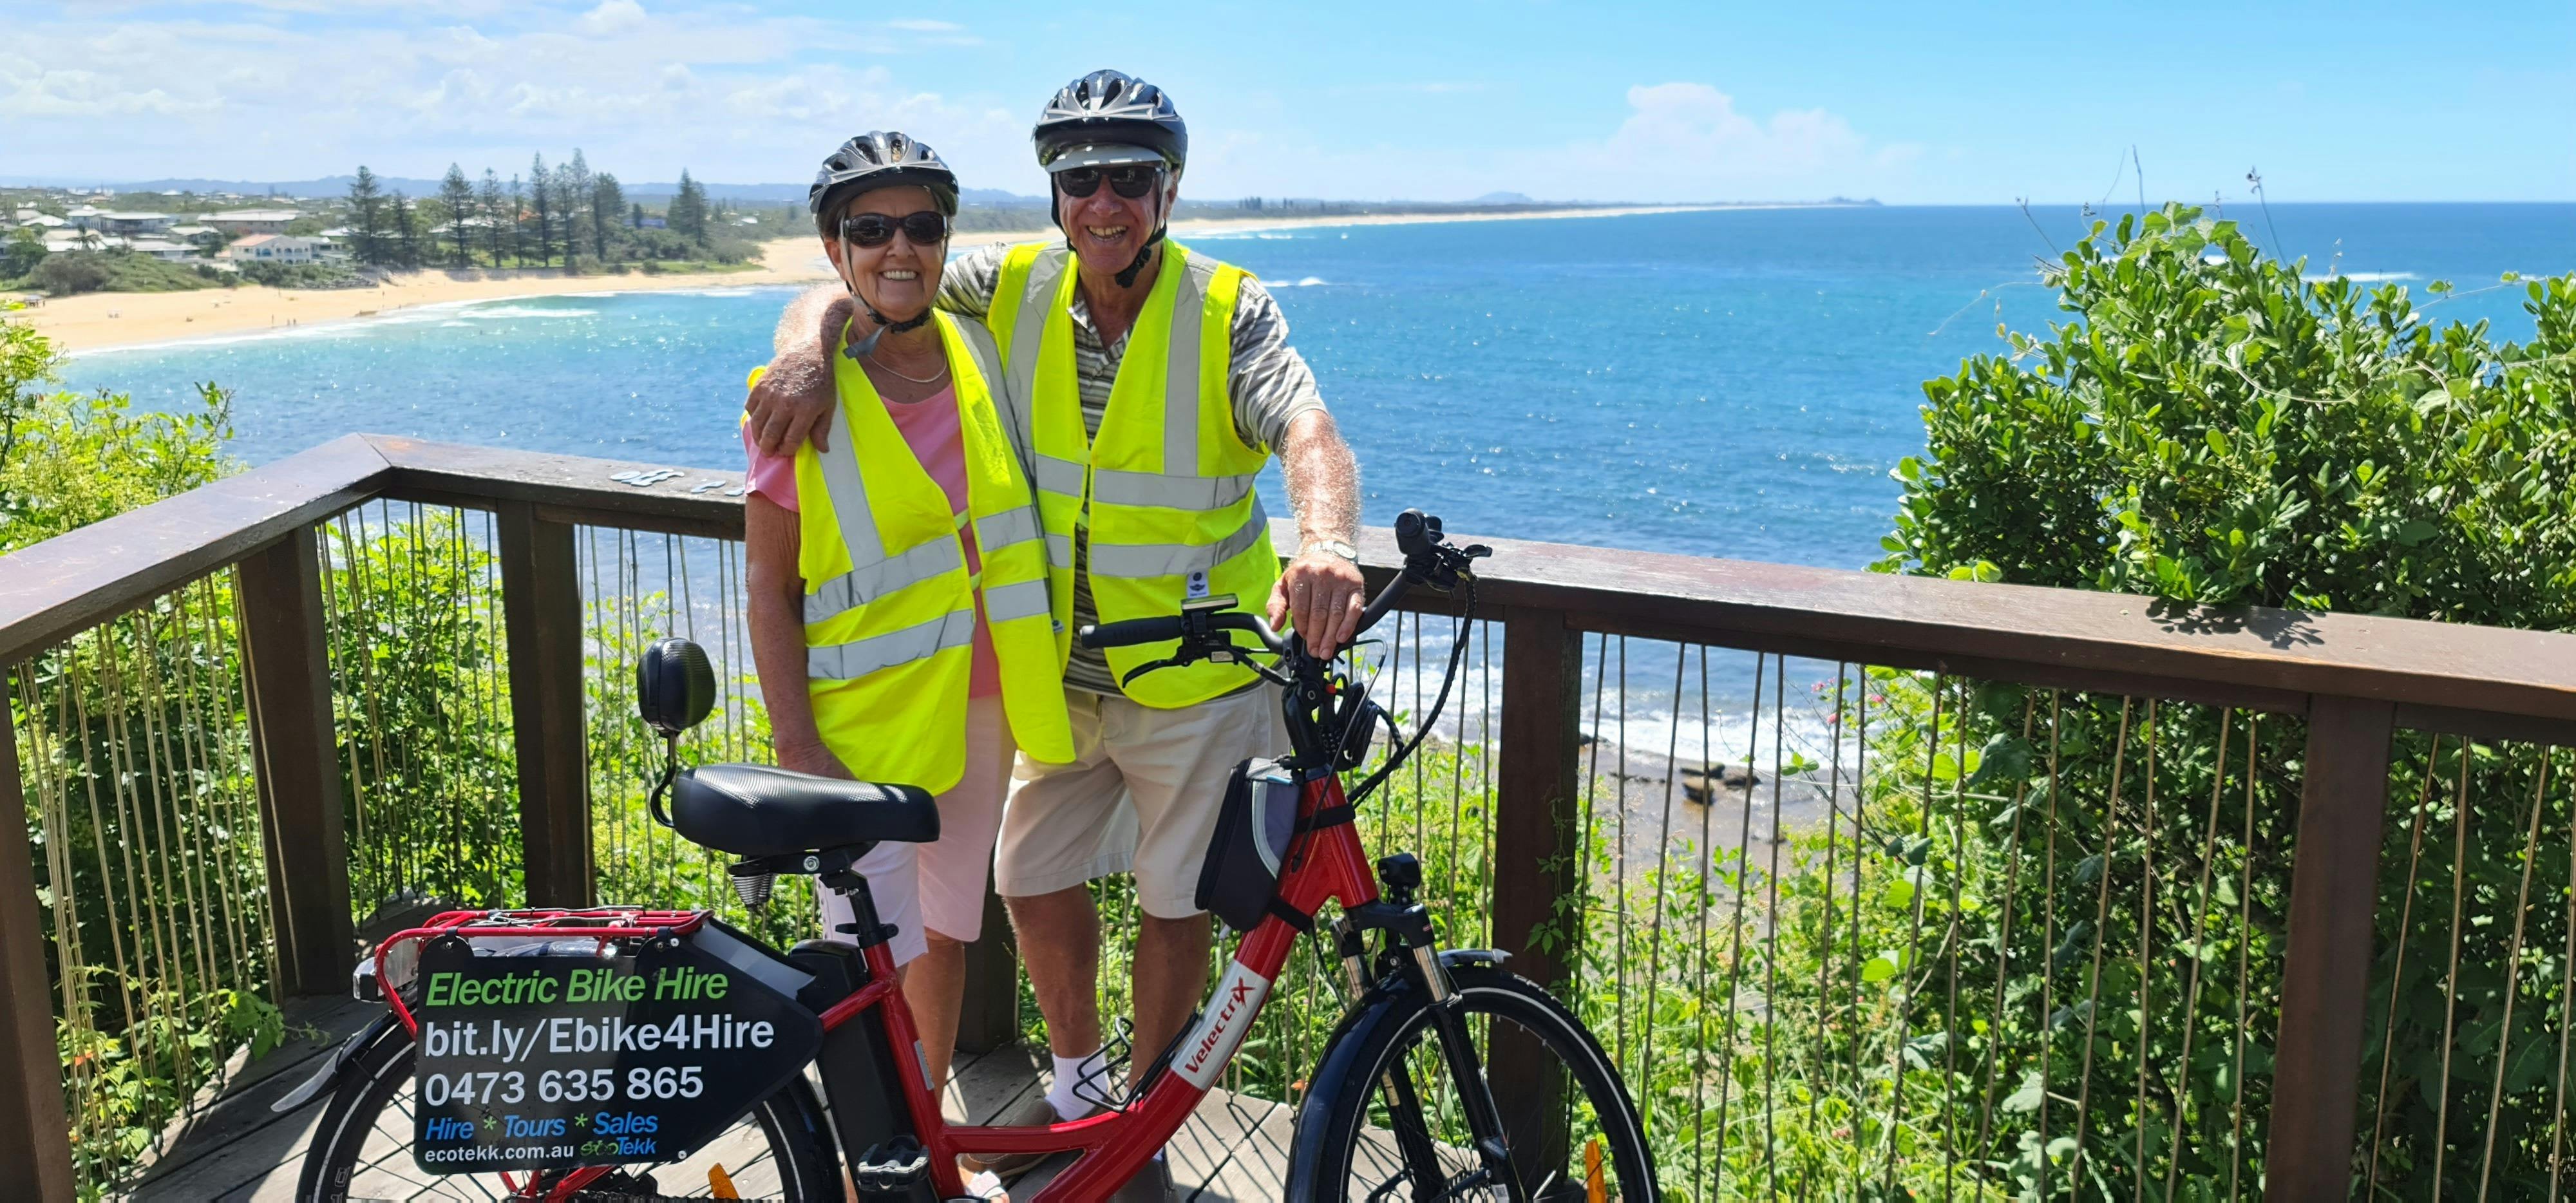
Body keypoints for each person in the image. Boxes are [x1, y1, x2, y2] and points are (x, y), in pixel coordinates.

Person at [744, 71, 1366, 1200]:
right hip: (1055, 679)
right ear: (1055, 196)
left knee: (1173, 903)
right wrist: (807, 346)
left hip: (1196, 675)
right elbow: (868, 277)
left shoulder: (1229, 310)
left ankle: (1140, 1124)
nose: (1103, 201)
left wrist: (1323, 541)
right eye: (1081, 179)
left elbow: (1309, 427)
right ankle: (1078, 1087)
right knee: (1028, 878)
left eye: (1130, 176)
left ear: (1168, 190)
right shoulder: (1017, 283)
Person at [739, 131, 1071, 1202]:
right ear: (835, 247)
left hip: (981, 707)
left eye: (921, 227)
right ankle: (858, 1171)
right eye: (870, 229)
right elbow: (768, 588)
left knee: (947, 932)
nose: (900, 249)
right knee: (867, 962)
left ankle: (921, 1158)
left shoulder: (976, 348)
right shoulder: (802, 394)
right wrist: (797, 746)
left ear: (945, 239)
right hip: (862, 728)